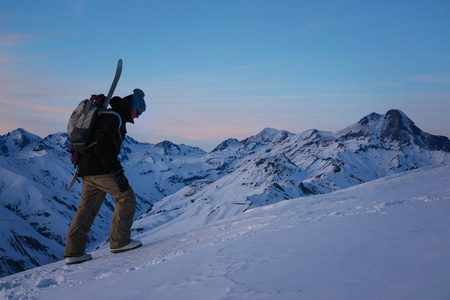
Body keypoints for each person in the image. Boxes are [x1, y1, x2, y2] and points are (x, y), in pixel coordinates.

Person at [64, 89, 146, 265]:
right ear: (132, 107)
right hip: (99, 169)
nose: (138, 116)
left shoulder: (110, 115)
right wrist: (116, 171)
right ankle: (120, 242)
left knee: (86, 209)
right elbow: (103, 146)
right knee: (126, 197)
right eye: (138, 112)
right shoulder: (114, 117)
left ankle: (74, 252)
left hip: (86, 168)